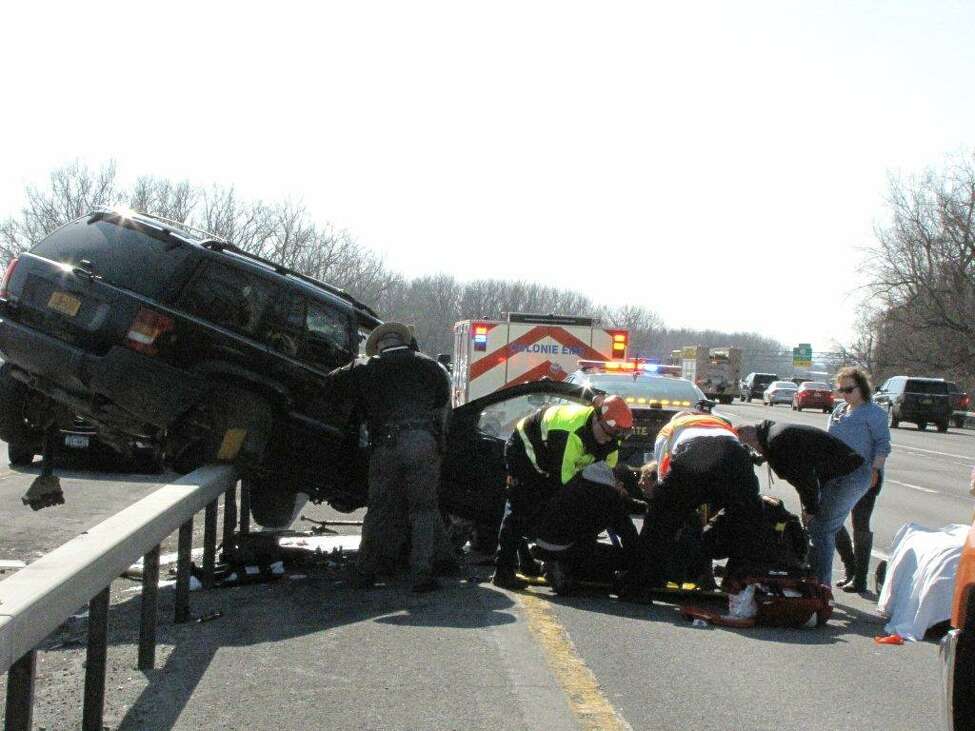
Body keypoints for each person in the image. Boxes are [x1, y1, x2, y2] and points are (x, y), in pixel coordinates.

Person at [323, 321, 452, 593]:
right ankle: (421, 574)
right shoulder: (430, 366)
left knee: (379, 510)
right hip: (422, 442)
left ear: (379, 345)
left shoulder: (366, 367)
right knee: (423, 510)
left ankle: (365, 572)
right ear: (404, 341)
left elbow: (331, 382)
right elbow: (442, 400)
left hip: (387, 446)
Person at [492, 394, 633, 589]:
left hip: (555, 461)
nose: (607, 440)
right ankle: (503, 571)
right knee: (520, 507)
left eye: (614, 437)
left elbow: (601, 482)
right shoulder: (570, 433)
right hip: (526, 450)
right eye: (607, 434)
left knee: (580, 504)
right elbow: (564, 484)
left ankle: (538, 560)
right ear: (597, 419)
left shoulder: (610, 443)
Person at [623, 410, 764, 599]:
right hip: (733, 455)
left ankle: (640, 584)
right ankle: (742, 581)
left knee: (660, 519)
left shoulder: (669, 429)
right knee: (748, 515)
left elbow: (663, 479)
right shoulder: (720, 424)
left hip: (692, 454)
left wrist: (672, 506)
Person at [805, 367, 891, 589]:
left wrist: (874, 471)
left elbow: (883, 445)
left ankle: (860, 578)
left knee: (859, 521)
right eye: (840, 389)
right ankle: (850, 566)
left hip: (864, 475)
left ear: (862, 388)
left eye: (849, 389)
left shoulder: (874, 413)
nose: (844, 394)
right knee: (830, 519)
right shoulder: (840, 410)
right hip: (836, 475)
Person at [531, 461, 647, 594]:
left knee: (588, 541)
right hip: (565, 547)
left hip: (544, 540)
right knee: (620, 558)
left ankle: (557, 563)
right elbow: (628, 534)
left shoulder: (586, 478)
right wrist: (638, 568)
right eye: (625, 492)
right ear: (619, 484)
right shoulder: (610, 497)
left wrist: (641, 506)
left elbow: (622, 503)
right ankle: (562, 567)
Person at [735, 420, 864, 517]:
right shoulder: (770, 434)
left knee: (821, 526)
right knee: (827, 524)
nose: (756, 452)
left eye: (751, 448)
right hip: (842, 469)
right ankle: (850, 554)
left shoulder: (778, 441)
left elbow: (803, 478)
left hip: (848, 473)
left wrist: (810, 509)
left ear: (754, 441)